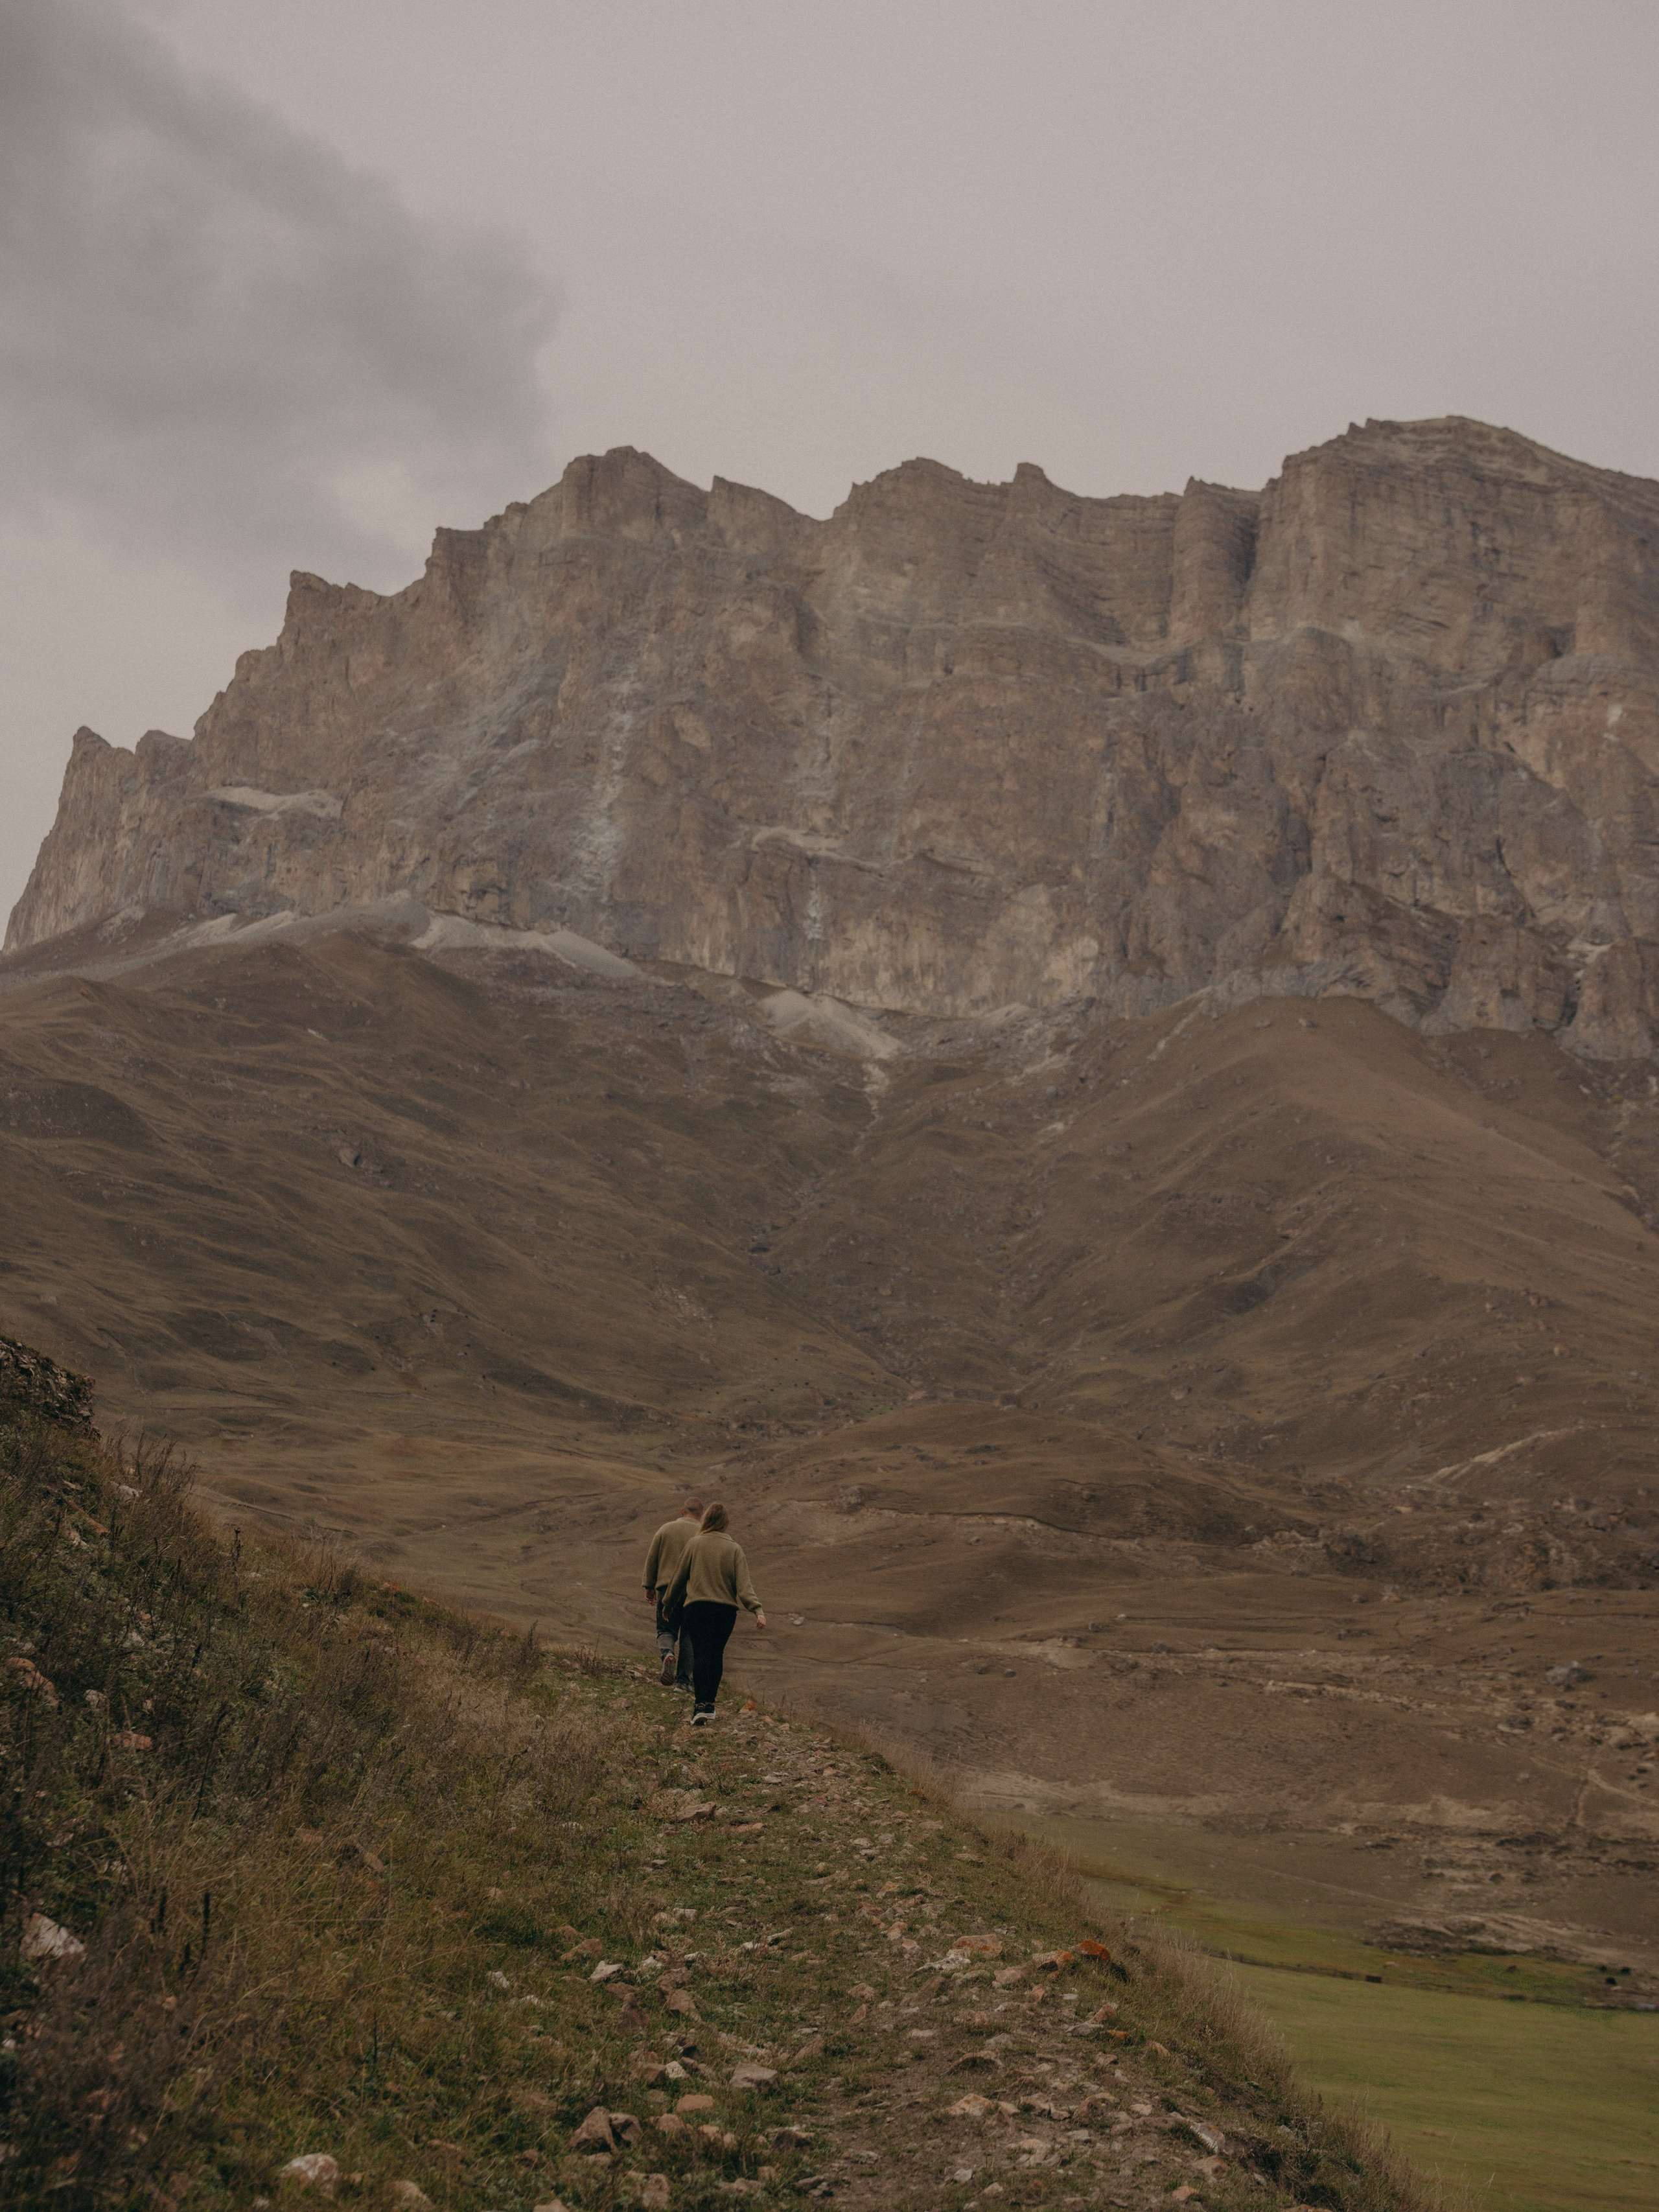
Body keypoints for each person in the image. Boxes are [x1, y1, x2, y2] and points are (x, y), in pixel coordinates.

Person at [662, 1500, 765, 1724]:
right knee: (716, 1655)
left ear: (706, 1519)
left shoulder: (694, 1544)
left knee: (700, 1654)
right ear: (726, 1523)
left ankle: (699, 1706)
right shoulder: (735, 1549)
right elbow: (744, 1587)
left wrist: (668, 1605)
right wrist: (757, 1610)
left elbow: (678, 1579)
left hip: (697, 1608)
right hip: (725, 1612)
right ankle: (710, 1705)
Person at [642, 1496, 702, 1688]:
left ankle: (668, 1653)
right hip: (695, 1592)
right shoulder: (704, 1534)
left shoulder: (666, 1529)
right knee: (690, 1636)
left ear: (682, 1511)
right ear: (702, 1515)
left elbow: (652, 1559)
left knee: (665, 1628)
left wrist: (649, 1586)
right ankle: (683, 1681)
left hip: (668, 1588)